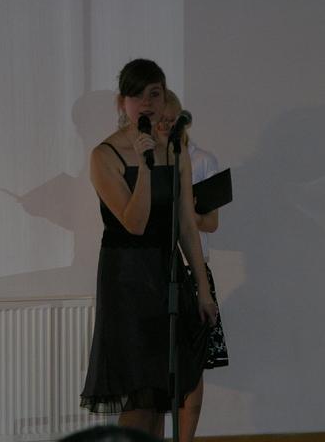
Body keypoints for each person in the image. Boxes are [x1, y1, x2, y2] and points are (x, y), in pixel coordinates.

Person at [80, 59, 217, 440]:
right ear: (122, 103)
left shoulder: (177, 149)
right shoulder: (104, 155)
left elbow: (186, 223)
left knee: (160, 394)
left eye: (154, 93)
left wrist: (203, 289)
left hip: (165, 273)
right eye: (137, 95)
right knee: (138, 398)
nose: (147, 103)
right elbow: (135, 223)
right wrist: (145, 166)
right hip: (126, 278)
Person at [156, 90, 230, 441]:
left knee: (192, 366)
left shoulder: (201, 159)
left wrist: (187, 211)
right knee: (157, 366)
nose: (166, 126)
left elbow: (211, 223)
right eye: (160, 121)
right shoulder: (146, 159)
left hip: (192, 269)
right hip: (155, 271)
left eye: (171, 121)